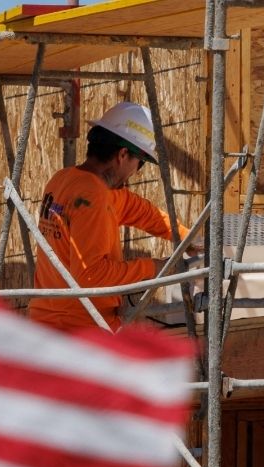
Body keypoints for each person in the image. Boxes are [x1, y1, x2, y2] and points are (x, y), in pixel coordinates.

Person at [28, 101, 190, 332]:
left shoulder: (64, 179)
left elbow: (138, 209)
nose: (136, 171)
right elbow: (91, 277)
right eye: (140, 163)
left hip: (47, 323)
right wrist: (156, 268)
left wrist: (186, 237)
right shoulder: (93, 195)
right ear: (123, 154)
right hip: (79, 331)